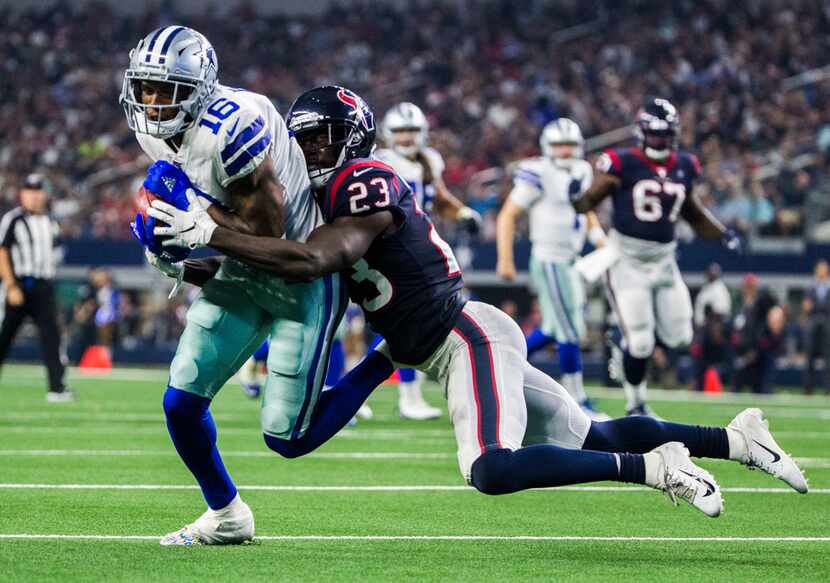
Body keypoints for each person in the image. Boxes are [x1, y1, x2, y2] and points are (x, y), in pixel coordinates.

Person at [150, 86, 807, 533]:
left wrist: (210, 232)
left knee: (491, 467)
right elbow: (277, 262)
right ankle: (737, 438)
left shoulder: (364, 178)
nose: (306, 151)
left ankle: (654, 466)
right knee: (594, 433)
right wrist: (188, 253)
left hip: (465, 335)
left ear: (350, 137)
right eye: (298, 141)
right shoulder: (319, 203)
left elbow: (317, 260)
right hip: (441, 346)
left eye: (318, 138)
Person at [122, 27, 390, 546]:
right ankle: (226, 514)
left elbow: (265, 231)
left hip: (299, 268)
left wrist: (197, 220)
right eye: (146, 87)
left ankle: (387, 357)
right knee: (181, 401)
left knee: (288, 437)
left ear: (200, 87)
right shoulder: (154, 129)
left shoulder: (234, 125)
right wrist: (169, 250)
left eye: (167, 89)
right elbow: (196, 209)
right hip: (244, 269)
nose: (153, 102)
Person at [571, 98, 741, 417]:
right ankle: (636, 402)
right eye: (655, 134)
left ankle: (625, 342)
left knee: (681, 337)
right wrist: (576, 199)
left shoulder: (685, 166)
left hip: (664, 261)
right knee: (641, 343)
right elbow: (590, 200)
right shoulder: (622, 163)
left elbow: (692, 211)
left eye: (665, 135)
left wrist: (722, 234)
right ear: (642, 133)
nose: (660, 141)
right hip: (627, 260)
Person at [370, 102, 482, 420]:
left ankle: (412, 394)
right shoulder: (381, 161)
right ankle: (407, 395)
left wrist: (461, 212)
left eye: (412, 131)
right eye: (401, 131)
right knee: (400, 322)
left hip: (419, 248)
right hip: (390, 248)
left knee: (412, 321)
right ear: (388, 134)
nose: (406, 137)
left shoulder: (430, 161)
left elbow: (439, 197)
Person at [496, 118, 608, 419]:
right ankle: (576, 396)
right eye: (559, 145)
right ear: (547, 146)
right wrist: (504, 258)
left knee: (554, 328)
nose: (564, 151)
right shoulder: (539, 172)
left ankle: (500, 362)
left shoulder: (583, 170)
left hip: (571, 259)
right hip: (549, 258)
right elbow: (508, 214)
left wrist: (599, 240)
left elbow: (585, 211)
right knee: (570, 329)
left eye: (570, 145)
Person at [0, 174, 71, 402]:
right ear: (22, 194)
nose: (34, 196)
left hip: (43, 287)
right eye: (29, 191)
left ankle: (56, 388)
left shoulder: (51, 222)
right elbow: (2, 252)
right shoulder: (13, 219)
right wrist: (11, 285)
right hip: (20, 284)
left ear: (45, 195)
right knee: (4, 337)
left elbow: (56, 253)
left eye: (38, 191)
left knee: (52, 338)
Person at [803, 259, 830, 394]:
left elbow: (811, 306)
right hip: (813, 325)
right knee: (810, 358)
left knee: (828, 358)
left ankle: (828, 389)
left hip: (827, 325)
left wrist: (816, 307)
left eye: (823, 269)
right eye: (819, 269)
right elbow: (806, 307)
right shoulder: (811, 287)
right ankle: (808, 389)